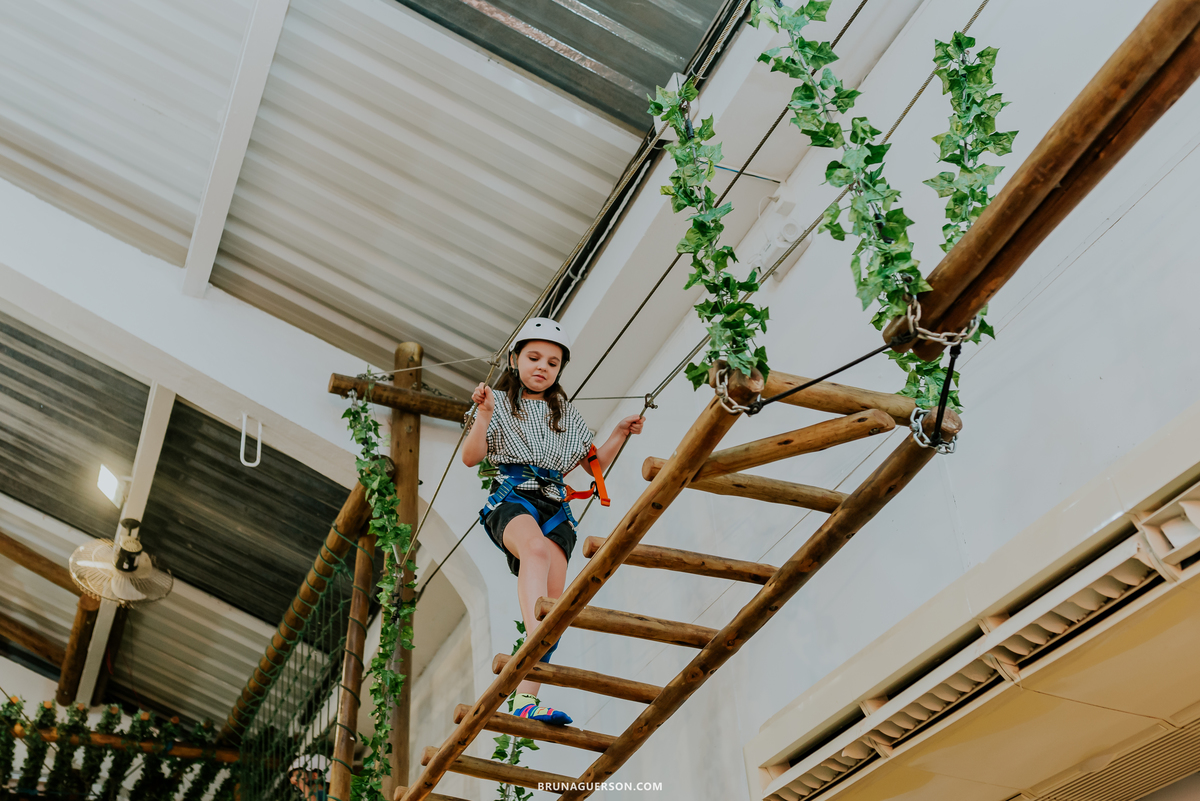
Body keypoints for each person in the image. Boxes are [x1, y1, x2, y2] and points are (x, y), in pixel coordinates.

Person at [462, 317, 644, 726]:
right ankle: (537, 634)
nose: (542, 367)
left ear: (560, 370)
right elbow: (471, 457)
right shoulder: (497, 404)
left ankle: (526, 698)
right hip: (513, 497)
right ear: (514, 359)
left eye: (552, 362)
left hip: (556, 506)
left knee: (556, 602)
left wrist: (618, 432)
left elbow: (592, 464)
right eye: (533, 357)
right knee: (535, 551)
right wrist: (484, 415)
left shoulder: (567, 415)